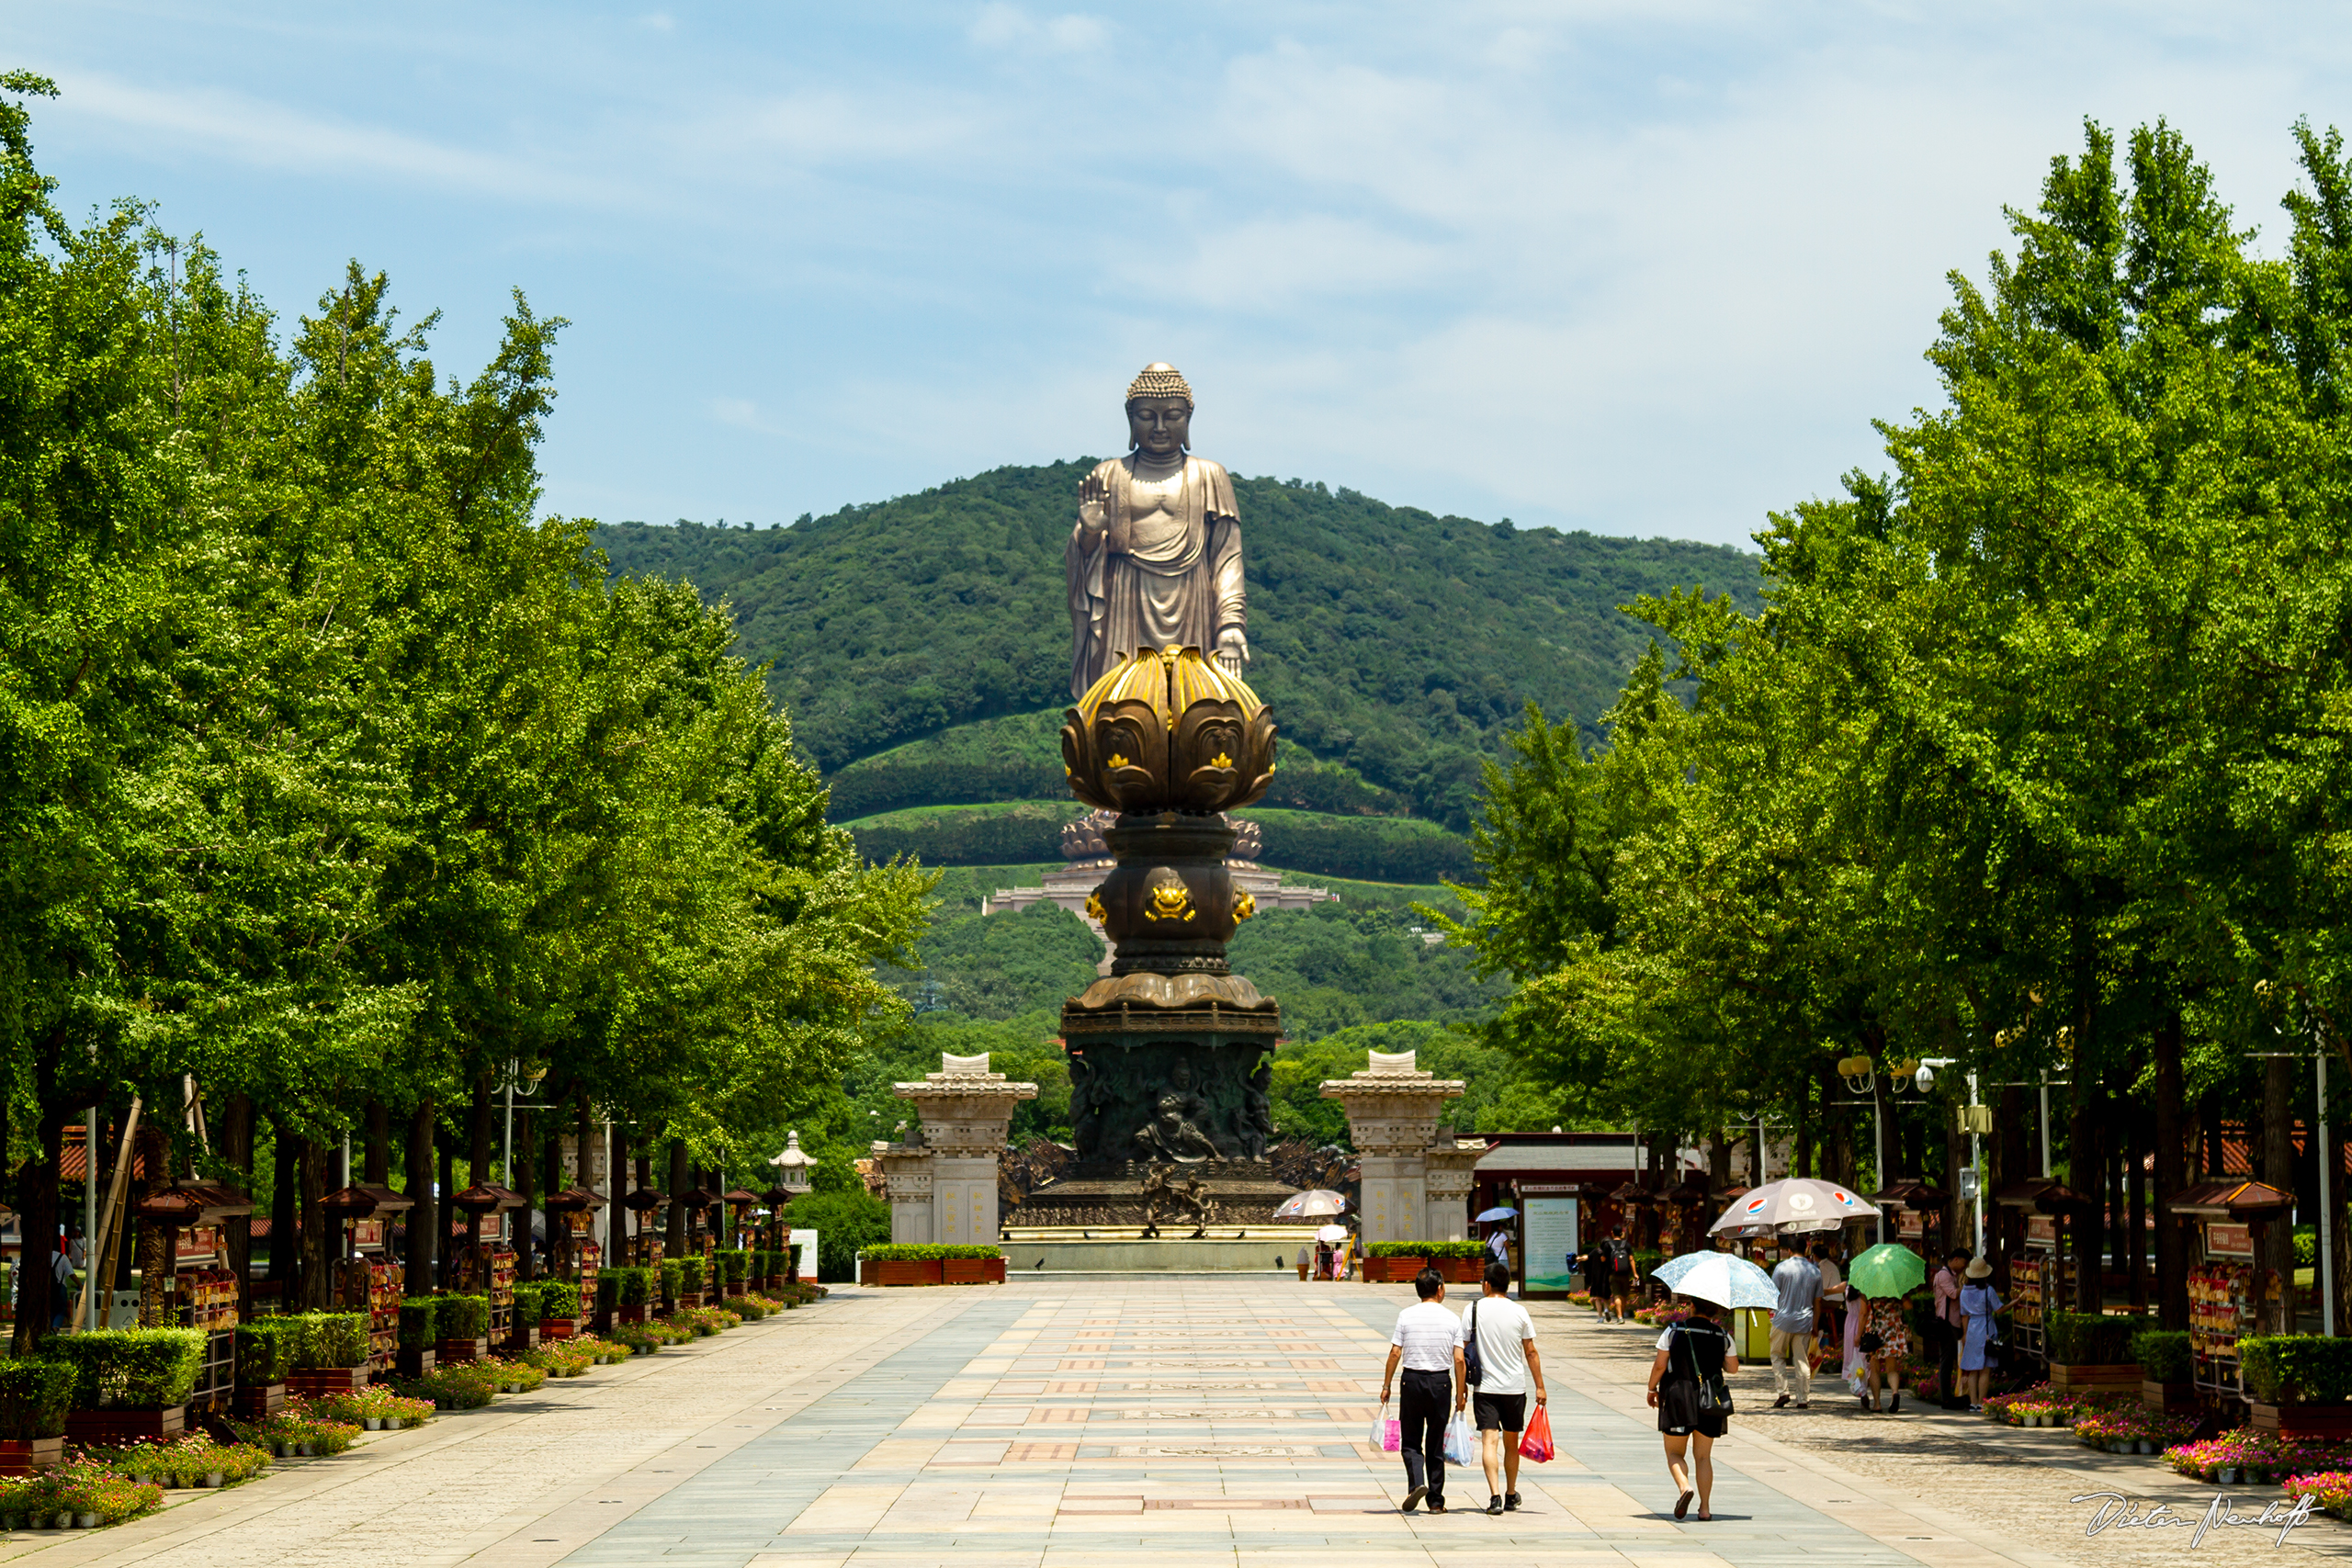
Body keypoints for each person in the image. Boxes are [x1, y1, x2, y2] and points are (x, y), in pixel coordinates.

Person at [1459, 1258, 1547, 1515]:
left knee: (1489, 1441)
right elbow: (1530, 1352)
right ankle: (1511, 1494)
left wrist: (1462, 1387)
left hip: (1484, 1389)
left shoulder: (1472, 1310)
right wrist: (1540, 1386)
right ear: (1507, 1286)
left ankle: (1494, 1496)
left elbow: (1463, 1353)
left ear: (1486, 1284)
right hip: (1514, 1388)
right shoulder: (1519, 1311)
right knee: (1511, 1442)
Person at [1379, 1267, 1465, 1515]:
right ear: (1439, 1289)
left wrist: (1386, 1386)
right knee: (1436, 1442)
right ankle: (1436, 1502)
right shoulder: (1451, 1318)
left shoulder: (1406, 1315)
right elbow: (1459, 1360)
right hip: (1440, 1383)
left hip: (1412, 1382)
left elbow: (1396, 1352)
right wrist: (1460, 1393)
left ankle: (1417, 1484)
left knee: (1411, 1441)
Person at [1646, 1296, 1738, 1521]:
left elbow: (1660, 1364)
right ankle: (1705, 1509)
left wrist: (1651, 1388)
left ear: (1692, 1306)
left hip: (1678, 1396)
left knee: (1675, 1452)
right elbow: (1733, 1368)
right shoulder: (1723, 1336)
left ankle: (1684, 1487)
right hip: (1710, 1401)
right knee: (1704, 1457)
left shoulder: (1674, 1330)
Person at [1768, 1244, 1821, 1409]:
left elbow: (1772, 1293)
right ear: (1805, 1251)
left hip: (1782, 1319)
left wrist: (1770, 1311)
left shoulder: (1781, 1268)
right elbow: (1817, 1301)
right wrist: (1815, 1324)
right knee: (1802, 1360)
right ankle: (1803, 1398)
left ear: (1789, 1251)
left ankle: (1783, 1392)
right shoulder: (1814, 1271)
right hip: (1804, 1321)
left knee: (1777, 1356)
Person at [1958, 1258, 2002, 1411]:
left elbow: (1964, 1315)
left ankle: (1973, 1402)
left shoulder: (1964, 1292)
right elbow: (1999, 1309)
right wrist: (2015, 1302)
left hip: (1971, 1330)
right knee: (1985, 1369)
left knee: (1972, 1368)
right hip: (1986, 1328)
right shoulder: (1988, 1290)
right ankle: (1982, 1403)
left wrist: (1964, 1334)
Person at [1860, 1288, 1911, 1412]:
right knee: (1892, 1369)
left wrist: (1858, 1334)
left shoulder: (1867, 1288)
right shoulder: (1896, 1287)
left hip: (1874, 1333)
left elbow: (1863, 1313)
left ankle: (1877, 1404)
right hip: (1893, 1332)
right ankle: (1895, 1392)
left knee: (1875, 1369)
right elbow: (1909, 1307)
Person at [1932, 1249, 1970, 1408]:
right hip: (1946, 1324)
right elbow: (1953, 1294)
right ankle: (1946, 1397)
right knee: (1947, 1361)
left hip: (1953, 1323)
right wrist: (1968, 1287)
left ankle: (1956, 1394)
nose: (1964, 1267)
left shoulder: (1951, 1275)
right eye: (1964, 1263)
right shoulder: (1944, 1275)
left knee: (1954, 1360)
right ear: (1955, 1259)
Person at [1812, 1242, 1845, 1370]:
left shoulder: (1824, 1267)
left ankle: (1817, 1326)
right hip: (1832, 1298)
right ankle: (1819, 1326)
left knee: (1815, 1301)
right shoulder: (1829, 1264)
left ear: (1815, 1256)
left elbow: (1822, 1289)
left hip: (1831, 1299)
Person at [1604, 1225, 1634, 1324]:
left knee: (1617, 1295)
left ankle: (1620, 1317)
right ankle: (1621, 1314)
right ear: (1622, 1233)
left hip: (1613, 1274)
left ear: (1612, 1232)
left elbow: (1603, 1259)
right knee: (1624, 1296)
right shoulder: (1627, 1244)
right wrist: (1635, 1273)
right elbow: (1631, 1259)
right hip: (1625, 1274)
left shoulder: (1608, 1244)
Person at [1583, 1239, 1615, 1314]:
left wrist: (1578, 1258)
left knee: (1597, 1298)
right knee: (1607, 1296)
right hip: (1607, 1276)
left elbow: (1587, 1257)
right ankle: (1606, 1308)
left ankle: (1600, 1316)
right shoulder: (1611, 1252)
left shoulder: (1596, 1251)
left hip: (1596, 1278)